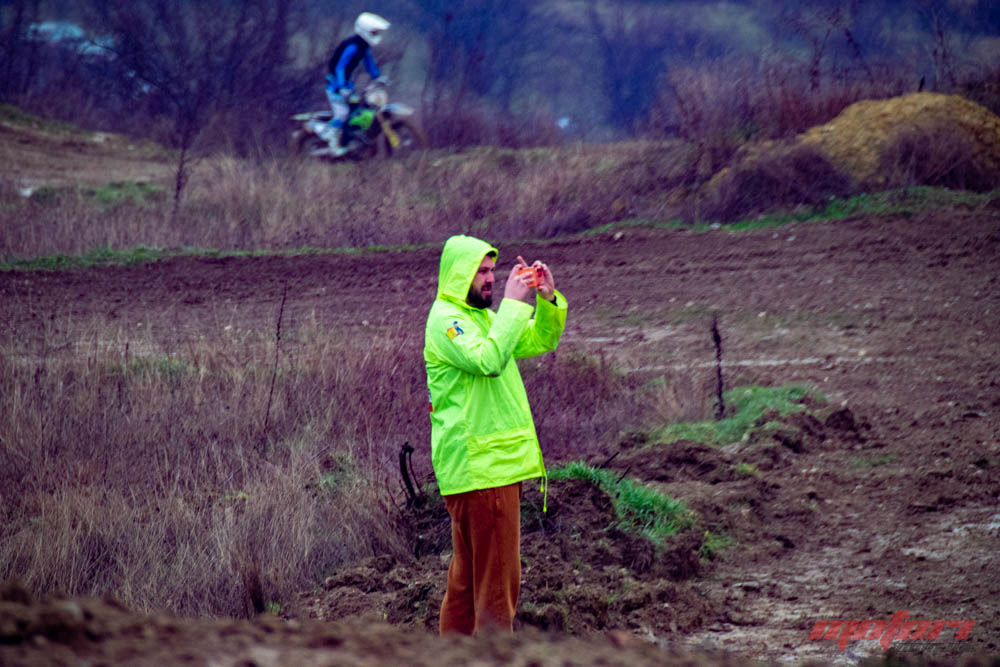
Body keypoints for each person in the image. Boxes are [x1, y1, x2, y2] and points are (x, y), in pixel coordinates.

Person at [423, 234, 568, 635]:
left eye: (491, 270)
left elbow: (541, 339)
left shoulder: (483, 319)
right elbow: (488, 360)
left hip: (483, 473)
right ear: (458, 274)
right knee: (497, 589)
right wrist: (513, 303)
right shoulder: (448, 322)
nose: (489, 278)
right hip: (485, 473)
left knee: (468, 585)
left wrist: (546, 300)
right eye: (480, 271)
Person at [320, 12, 389, 157]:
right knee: (343, 113)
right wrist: (341, 87)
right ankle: (333, 144)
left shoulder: (363, 47)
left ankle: (349, 141)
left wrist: (378, 77)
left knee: (356, 111)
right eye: (374, 32)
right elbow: (340, 67)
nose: (376, 35)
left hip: (346, 84)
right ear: (365, 31)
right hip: (334, 85)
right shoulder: (352, 46)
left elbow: (369, 63)